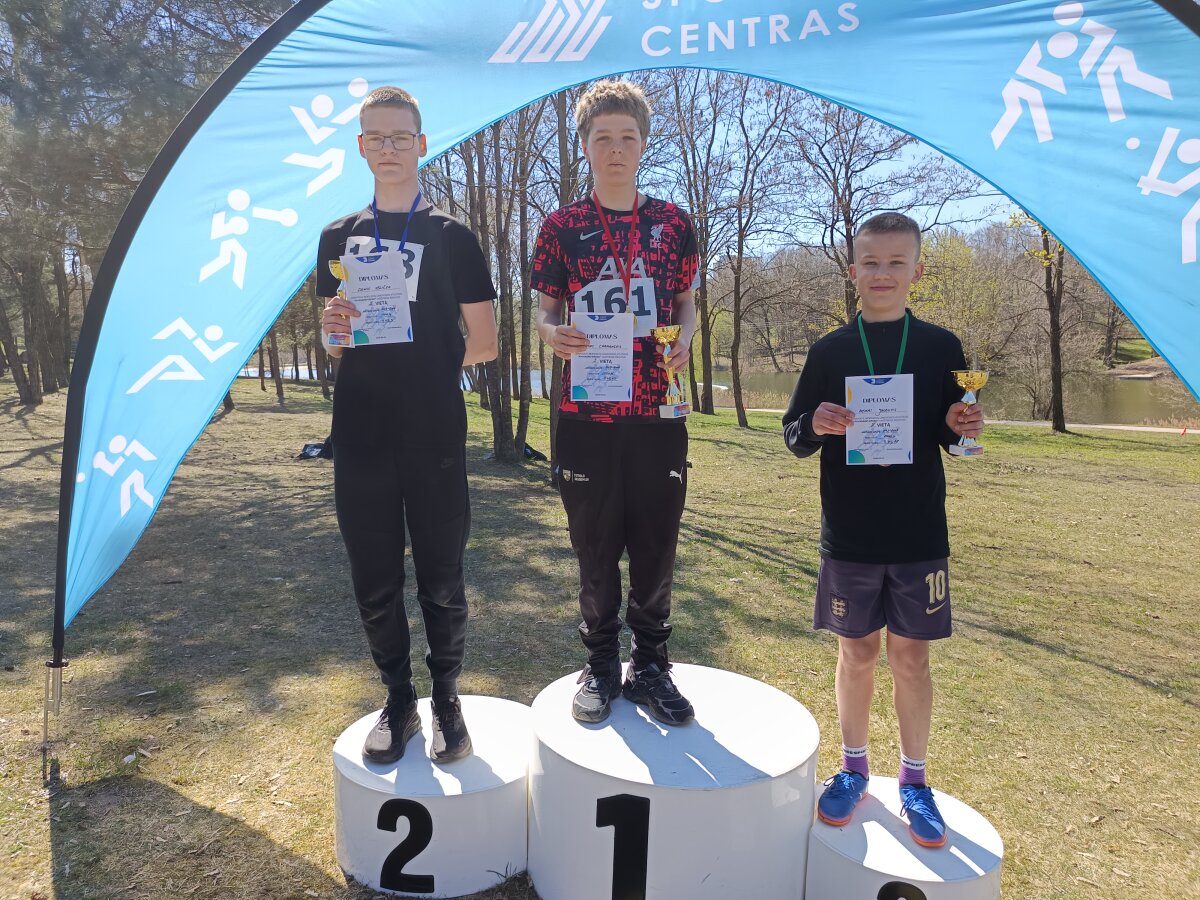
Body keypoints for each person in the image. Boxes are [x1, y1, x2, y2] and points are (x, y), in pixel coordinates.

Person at [782, 213, 984, 848]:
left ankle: (915, 781)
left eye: (897, 262)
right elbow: (793, 436)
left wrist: (963, 427)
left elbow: (953, 436)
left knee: (912, 658)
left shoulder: (942, 347)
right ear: (853, 271)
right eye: (871, 262)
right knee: (857, 653)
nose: (883, 273)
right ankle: (853, 768)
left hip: (919, 534)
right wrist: (816, 423)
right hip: (851, 534)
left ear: (917, 272)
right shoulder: (830, 351)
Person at [317, 86, 498, 764]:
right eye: (376, 137)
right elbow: (336, 345)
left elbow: (485, 343)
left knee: (441, 578)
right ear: (361, 147)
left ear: (421, 145)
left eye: (400, 137)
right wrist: (336, 330)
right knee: (374, 581)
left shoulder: (452, 237)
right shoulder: (337, 237)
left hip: (432, 433)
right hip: (361, 434)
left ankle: (446, 698)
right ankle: (398, 700)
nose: (388, 148)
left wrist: (426, 359)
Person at [531, 79, 700, 726]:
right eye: (603, 137)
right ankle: (600, 663)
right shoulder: (561, 227)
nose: (616, 148)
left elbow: (685, 302)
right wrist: (552, 335)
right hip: (587, 416)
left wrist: (686, 338)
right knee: (595, 548)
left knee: (657, 546)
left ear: (644, 143)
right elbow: (546, 311)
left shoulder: (674, 224)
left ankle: (651, 665)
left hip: (658, 412)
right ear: (585, 145)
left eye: (627, 136)